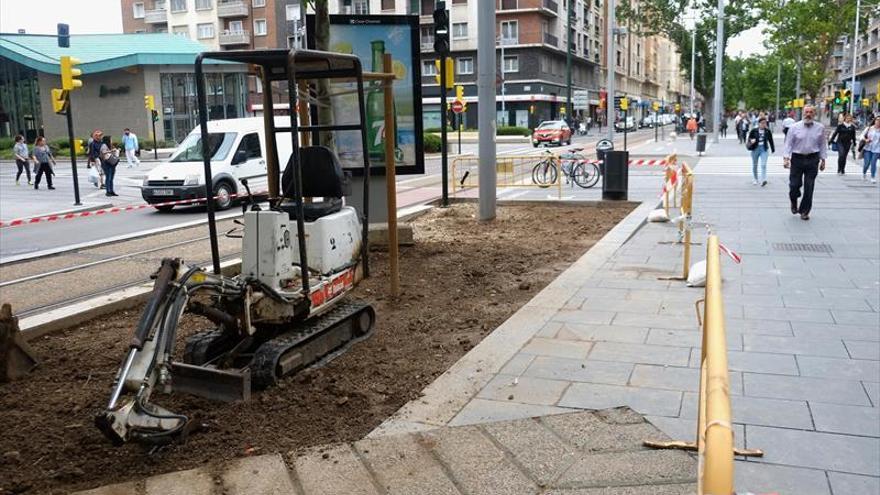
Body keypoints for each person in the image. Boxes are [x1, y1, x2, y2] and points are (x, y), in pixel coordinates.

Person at [783, 105, 826, 220]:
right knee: (794, 185)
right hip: (797, 158)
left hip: (813, 159)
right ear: (803, 113)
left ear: (814, 114)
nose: (808, 114)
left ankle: (805, 211)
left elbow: (822, 144)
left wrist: (823, 160)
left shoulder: (820, 128)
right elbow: (788, 143)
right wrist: (786, 158)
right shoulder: (794, 127)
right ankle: (793, 200)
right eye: (806, 112)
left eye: (811, 112)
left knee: (809, 186)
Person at [747, 117, 775, 186]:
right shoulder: (754, 130)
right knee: (755, 165)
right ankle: (755, 179)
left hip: (764, 149)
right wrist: (751, 141)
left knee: (763, 164)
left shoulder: (767, 131)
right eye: (762, 123)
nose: (764, 124)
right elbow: (749, 139)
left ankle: (763, 180)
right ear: (758, 123)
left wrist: (772, 149)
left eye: (765, 123)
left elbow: (771, 140)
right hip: (755, 149)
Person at [95, 130, 119, 197]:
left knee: (111, 178)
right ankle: (108, 191)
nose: (111, 140)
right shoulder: (104, 145)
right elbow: (103, 152)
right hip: (106, 163)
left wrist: (115, 151)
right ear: (108, 140)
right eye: (111, 139)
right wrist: (111, 151)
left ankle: (111, 191)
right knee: (108, 177)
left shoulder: (110, 145)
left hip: (111, 163)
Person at [861, 116, 880, 183]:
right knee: (867, 163)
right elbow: (862, 135)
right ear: (875, 121)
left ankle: (872, 177)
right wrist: (865, 140)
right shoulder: (869, 128)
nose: (878, 122)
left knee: (873, 163)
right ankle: (864, 173)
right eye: (877, 120)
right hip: (868, 148)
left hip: (877, 149)